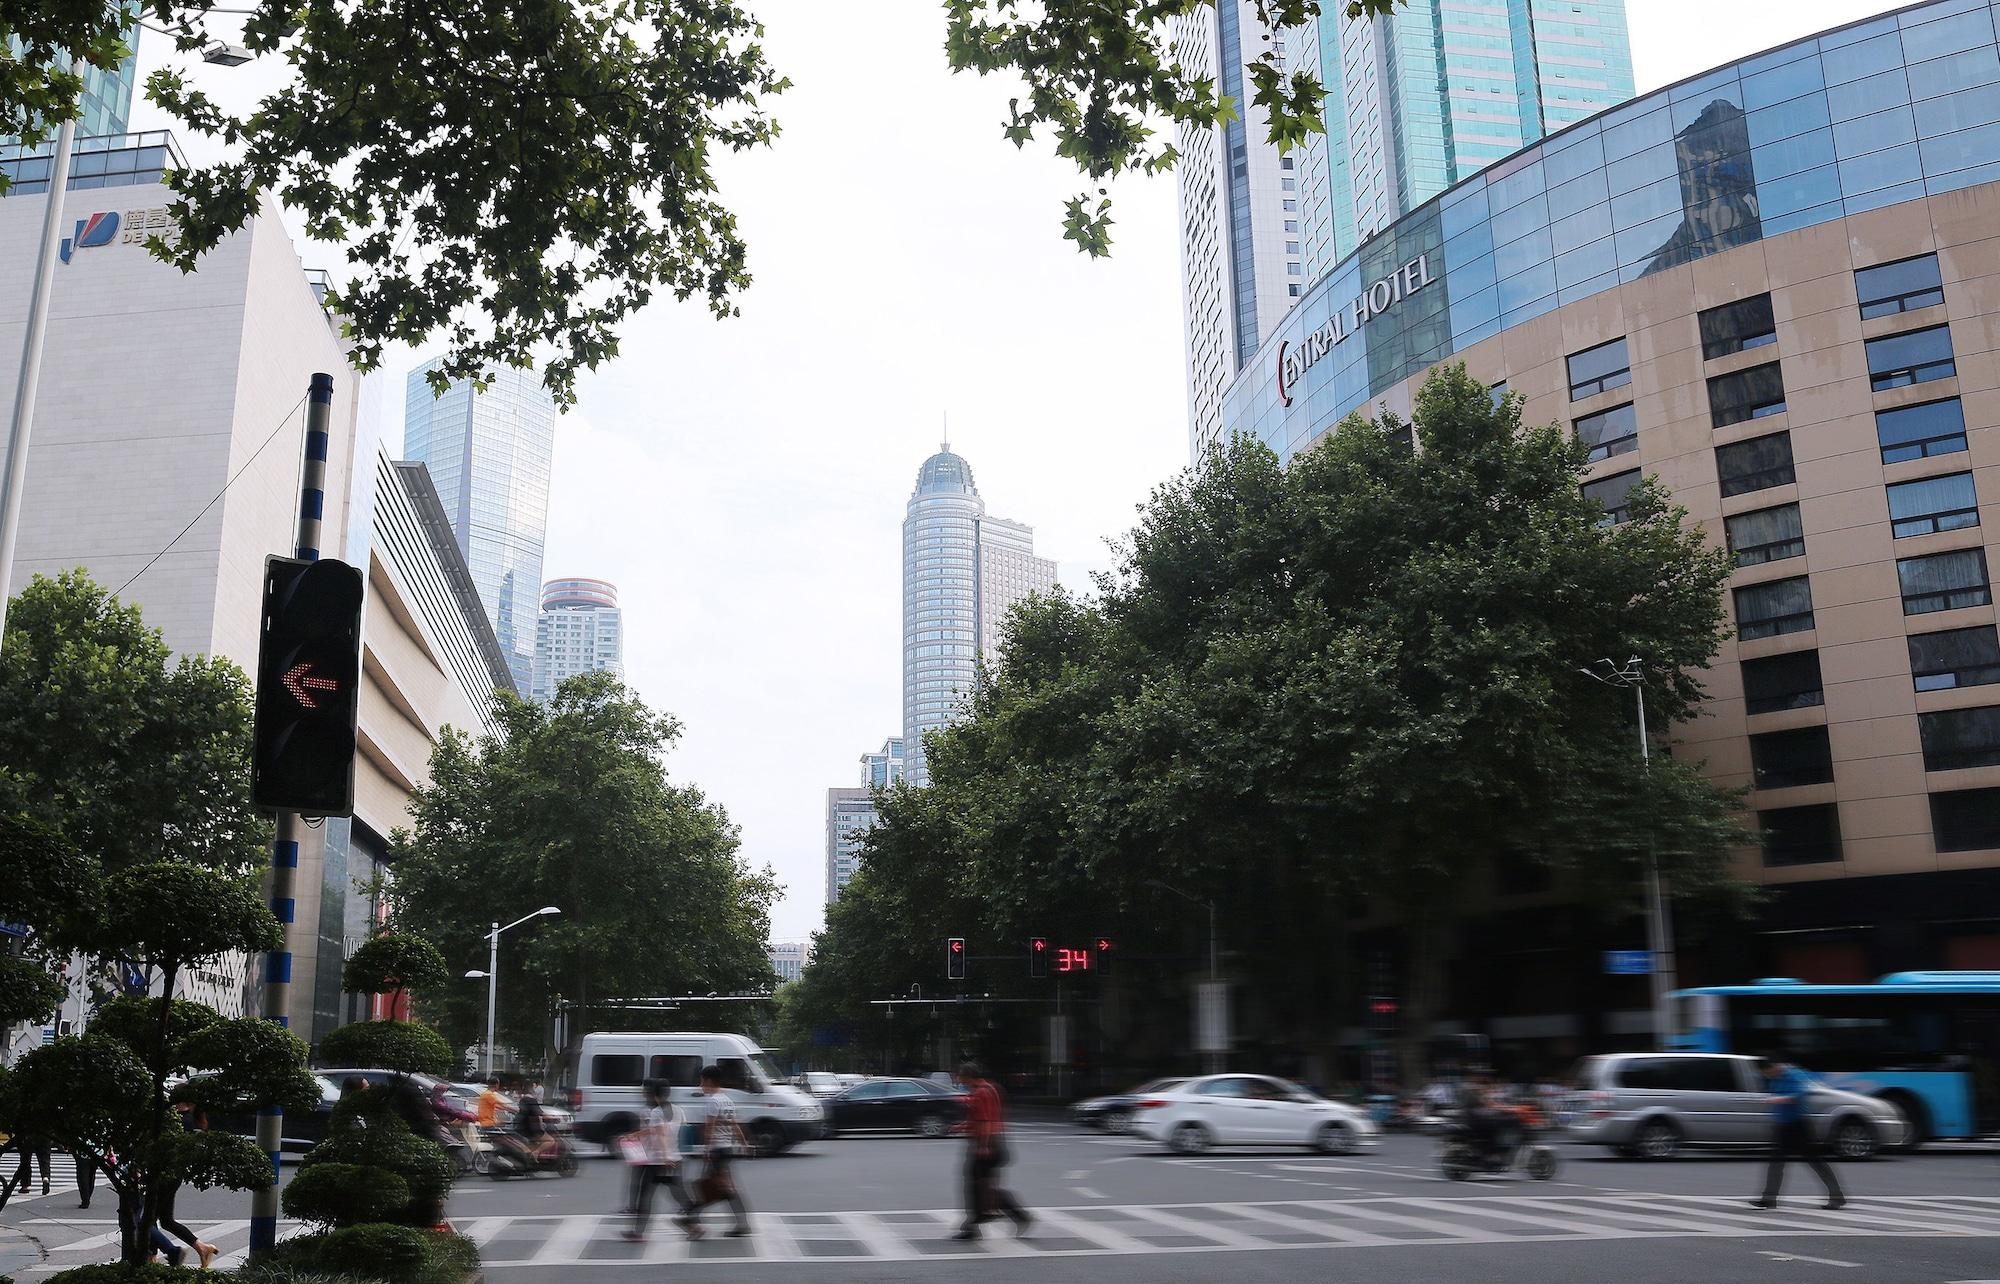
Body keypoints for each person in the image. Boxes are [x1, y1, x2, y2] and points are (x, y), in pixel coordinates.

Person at [1752, 1055, 1844, 1211]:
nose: (1768, 1077)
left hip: (1800, 1126)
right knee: (1775, 1163)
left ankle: (1837, 1196)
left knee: (1815, 1161)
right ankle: (1768, 1199)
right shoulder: (1775, 1077)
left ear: (1773, 1067)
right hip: (1782, 1127)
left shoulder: (1794, 1074)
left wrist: (1777, 1100)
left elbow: (1799, 1095)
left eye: (1768, 1073)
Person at [953, 1061, 1029, 1241]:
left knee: (978, 1186)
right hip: (991, 1142)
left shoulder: (981, 1092)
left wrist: (984, 1146)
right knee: (981, 1185)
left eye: (960, 1076)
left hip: (987, 1144)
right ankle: (976, 1223)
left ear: (968, 1076)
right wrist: (963, 1126)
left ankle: (1013, 1217)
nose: (959, 1080)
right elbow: (981, 1118)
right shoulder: (990, 1088)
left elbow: (986, 1121)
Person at [678, 1065, 750, 1239]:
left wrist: (707, 1151)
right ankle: (742, 1224)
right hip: (727, 1149)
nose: (700, 1085)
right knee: (722, 1187)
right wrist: (743, 1144)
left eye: (702, 1081)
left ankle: (690, 1217)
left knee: (710, 1187)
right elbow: (734, 1124)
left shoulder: (713, 1101)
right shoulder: (727, 1100)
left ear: (709, 1080)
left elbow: (709, 1128)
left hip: (717, 1150)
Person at [621, 1080, 686, 1242]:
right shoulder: (678, 1110)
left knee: (645, 1195)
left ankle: (638, 1232)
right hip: (673, 1158)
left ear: (653, 1093)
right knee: (678, 1194)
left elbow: (660, 1133)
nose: (642, 1092)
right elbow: (663, 1130)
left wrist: (664, 1156)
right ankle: (694, 1225)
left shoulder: (655, 1111)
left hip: (657, 1160)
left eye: (645, 1090)